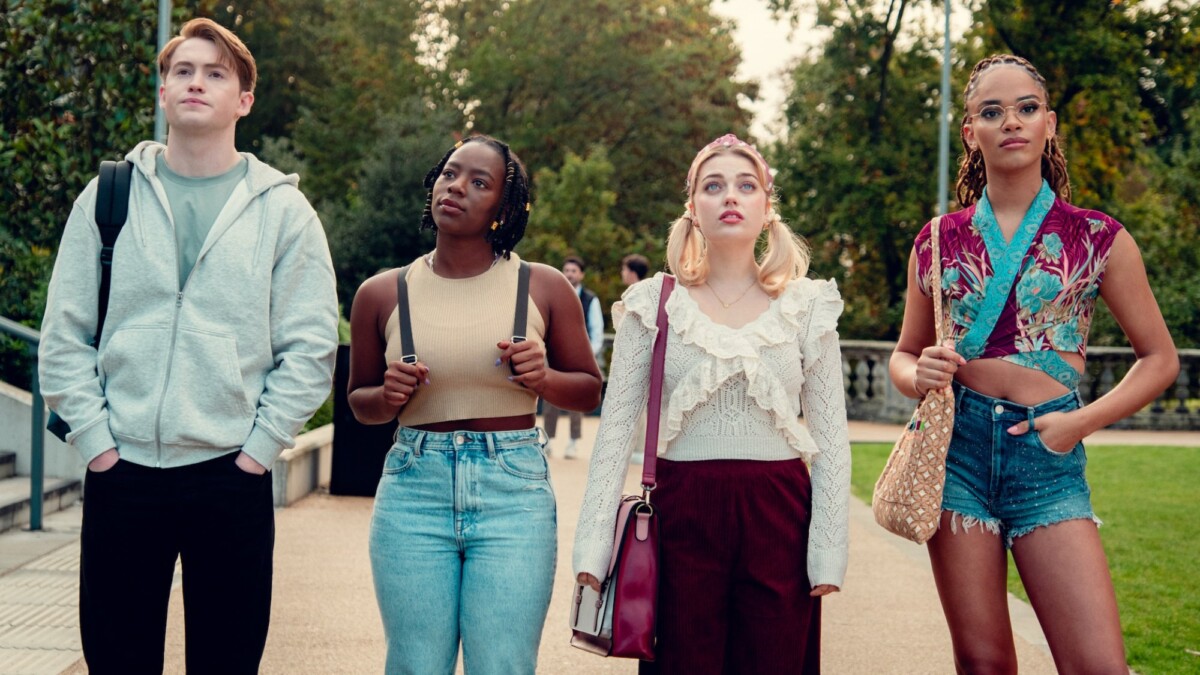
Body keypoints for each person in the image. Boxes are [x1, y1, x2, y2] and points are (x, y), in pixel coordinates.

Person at [37, 18, 339, 674]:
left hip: (231, 473)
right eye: (183, 70)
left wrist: (258, 452)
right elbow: (62, 335)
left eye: (215, 72)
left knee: (226, 662)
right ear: (163, 93)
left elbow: (312, 347)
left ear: (244, 100)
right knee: (117, 661)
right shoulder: (109, 194)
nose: (196, 82)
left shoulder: (284, 211)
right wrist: (100, 446)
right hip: (123, 473)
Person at [889, 54, 1179, 674]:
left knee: (1097, 664)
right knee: (983, 662)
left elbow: (1159, 358)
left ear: (1049, 123)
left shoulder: (1099, 236)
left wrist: (1079, 423)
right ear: (971, 133)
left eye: (1026, 108)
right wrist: (919, 376)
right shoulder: (938, 238)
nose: (1010, 122)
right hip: (956, 452)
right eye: (991, 112)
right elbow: (903, 355)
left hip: (1047, 457)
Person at [574, 134, 851, 673]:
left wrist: (827, 551)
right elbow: (613, 437)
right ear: (693, 208)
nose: (731, 197)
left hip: (779, 516)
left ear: (767, 207)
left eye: (746, 186)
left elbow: (833, 440)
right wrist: (592, 551)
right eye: (714, 186)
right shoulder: (651, 303)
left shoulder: (807, 305)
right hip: (680, 515)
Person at [346, 134, 603, 674]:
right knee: (416, 664)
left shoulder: (544, 287)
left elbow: (588, 388)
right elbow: (360, 403)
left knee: (502, 665)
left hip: (514, 493)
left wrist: (545, 377)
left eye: (478, 182)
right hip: (413, 490)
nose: (456, 187)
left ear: (503, 209)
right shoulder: (382, 293)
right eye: (450, 173)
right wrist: (388, 395)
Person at [542, 255, 604, 458]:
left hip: (579, 356)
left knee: (575, 399)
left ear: (581, 274)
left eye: (573, 271)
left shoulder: (590, 299)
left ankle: (573, 442)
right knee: (550, 397)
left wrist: (589, 355)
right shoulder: (554, 294)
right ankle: (548, 440)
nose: (569, 274)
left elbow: (597, 330)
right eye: (566, 270)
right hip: (553, 353)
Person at [616, 253, 651, 464]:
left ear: (631, 272)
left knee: (637, 402)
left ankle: (639, 448)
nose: (622, 273)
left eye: (624, 269)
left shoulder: (638, 293)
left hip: (638, 354)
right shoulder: (647, 290)